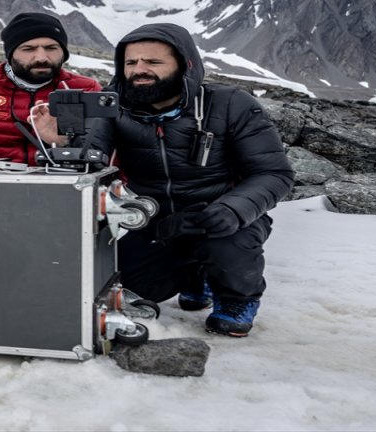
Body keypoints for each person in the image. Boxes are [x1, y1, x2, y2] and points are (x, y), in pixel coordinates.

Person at [87, 23, 294, 337]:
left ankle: (236, 298)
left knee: (229, 244)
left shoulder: (230, 104)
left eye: (153, 62)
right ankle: (194, 276)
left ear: (185, 65)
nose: (139, 70)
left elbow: (273, 173)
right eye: (131, 63)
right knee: (131, 283)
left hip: (217, 214)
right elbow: (91, 160)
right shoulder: (111, 105)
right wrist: (64, 141)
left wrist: (235, 210)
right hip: (152, 218)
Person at [0, 12, 100, 164]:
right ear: (10, 54)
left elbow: (105, 152)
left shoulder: (84, 89)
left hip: (57, 186)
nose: (41, 57)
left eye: (51, 48)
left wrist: (65, 143)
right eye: (28, 49)